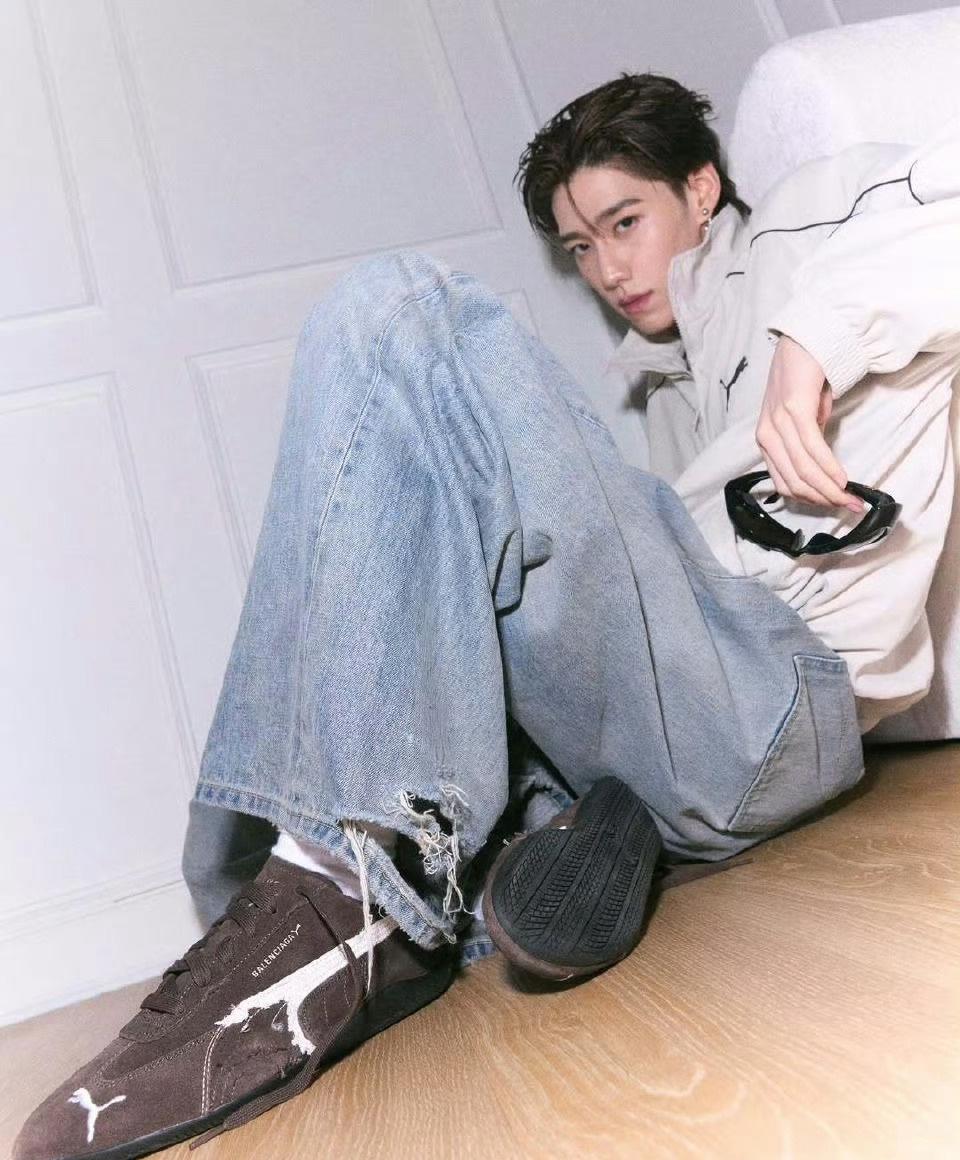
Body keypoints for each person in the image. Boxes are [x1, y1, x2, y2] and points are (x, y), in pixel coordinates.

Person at [15, 72, 958, 1159]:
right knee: (466, 551)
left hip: (788, 696)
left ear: (701, 189)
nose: (607, 270)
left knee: (401, 310)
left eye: (625, 223)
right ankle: (471, 853)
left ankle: (355, 890)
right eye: (580, 247)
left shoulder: (807, 231)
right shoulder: (668, 391)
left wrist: (813, 345)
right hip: (701, 721)